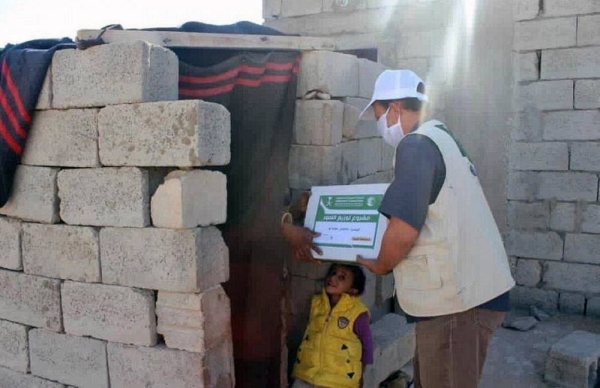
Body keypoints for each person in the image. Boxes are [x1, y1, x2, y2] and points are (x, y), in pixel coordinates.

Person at [356, 69, 515, 388]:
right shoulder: (441, 137)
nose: (381, 126)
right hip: (467, 295)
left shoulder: (415, 146)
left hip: (458, 305)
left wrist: (380, 264)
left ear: (396, 108)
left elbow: (403, 230)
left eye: (380, 115)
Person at [292, 263, 373, 388]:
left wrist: (360, 376)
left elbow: (367, 347)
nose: (333, 278)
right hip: (306, 375)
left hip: (338, 382)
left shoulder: (358, 314)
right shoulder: (317, 304)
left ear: (353, 289)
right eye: (333, 273)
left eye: (341, 277)